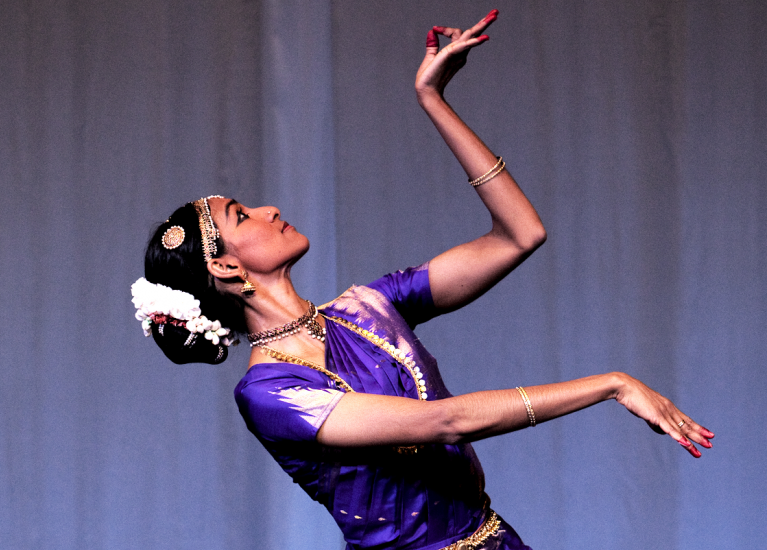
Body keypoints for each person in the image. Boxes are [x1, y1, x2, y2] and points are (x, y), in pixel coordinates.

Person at [131, 10, 714, 550]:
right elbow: (446, 422)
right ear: (226, 267)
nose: (268, 209)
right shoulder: (268, 392)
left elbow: (520, 234)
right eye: (242, 215)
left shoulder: (366, 307)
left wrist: (434, 100)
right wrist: (611, 384)